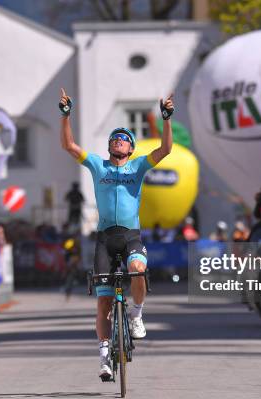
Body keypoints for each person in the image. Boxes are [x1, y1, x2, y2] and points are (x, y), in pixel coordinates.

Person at [59, 87, 174, 380]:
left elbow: (165, 150)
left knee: (137, 269)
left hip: (131, 235)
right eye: (114, 138)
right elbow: (69, 146)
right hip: (105, 240)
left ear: (131, 148)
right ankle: (104, 358)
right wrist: (66, 115)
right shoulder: (98, 164)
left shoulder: (138, 166)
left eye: (124, 139)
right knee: (103, 302)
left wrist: (166, 119)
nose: (118, 141)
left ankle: (136, 315)